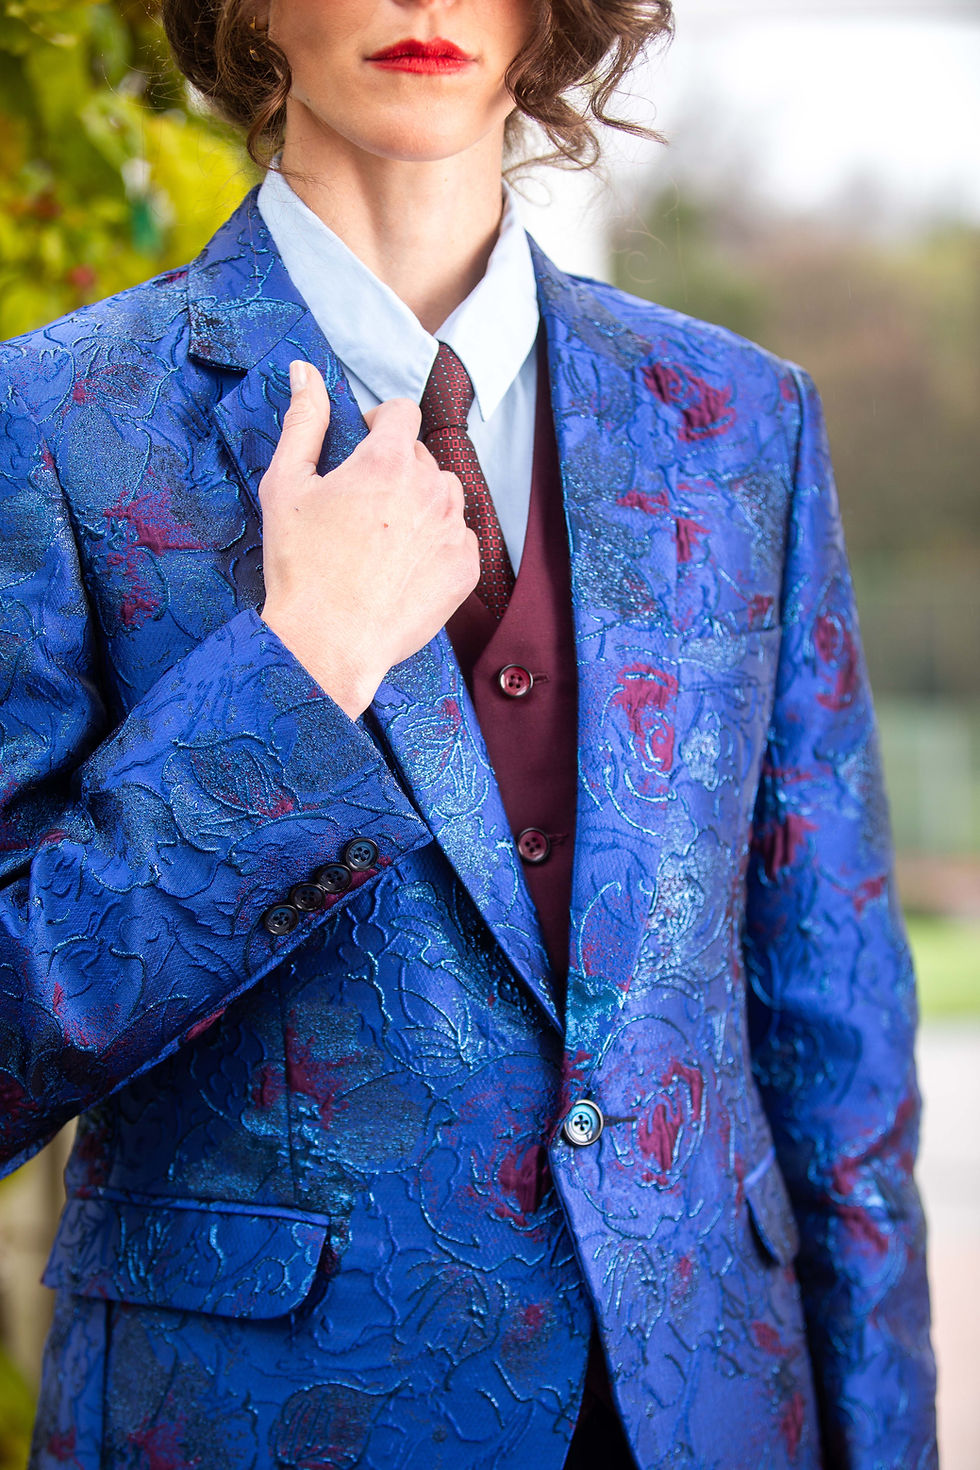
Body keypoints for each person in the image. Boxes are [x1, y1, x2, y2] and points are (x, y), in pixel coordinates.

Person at [0, 0, 937, 1464]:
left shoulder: (740, 421)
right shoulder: (57, 422)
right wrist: (296, 674)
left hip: (712, 1409)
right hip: (259, 1419)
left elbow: (840, 1043)